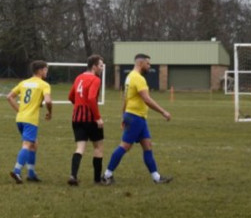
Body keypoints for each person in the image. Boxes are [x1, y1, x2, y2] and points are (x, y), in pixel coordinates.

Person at [102, 53, 172, 185]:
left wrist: (123, 115)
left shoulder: (129, 77)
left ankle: (156, 178)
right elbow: (147, 99)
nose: (149, 66)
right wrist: (163, 112)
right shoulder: (138, 78)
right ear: (141, 63)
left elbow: (126, 98)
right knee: (125, 146)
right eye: (148, 63)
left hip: (136, 117)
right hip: (135, 117)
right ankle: (107, 175)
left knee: (147, 145)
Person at [7, 60, 52, 184]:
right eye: (46, 69)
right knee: (27, 144)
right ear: (41, 70)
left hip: (20, 118)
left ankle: (31, 173)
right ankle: (17, 171)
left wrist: (19, 110)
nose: (47, 72)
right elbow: (48, 101)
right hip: (30, 120)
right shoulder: (44, 85)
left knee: (34, 144)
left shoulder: (24, 83)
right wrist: (50, 112)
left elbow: (9, 96)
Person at [67, 55, 105, 186]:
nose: (102, 68)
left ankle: (73, 175)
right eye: (101, 65)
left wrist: (78, 105)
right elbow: (91, 98)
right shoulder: (95, 79)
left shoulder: (78, 77)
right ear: (94, 66)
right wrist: (97, 118)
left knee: (80, 148)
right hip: (90, 119)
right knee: (98, 147)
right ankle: (97, 180)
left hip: (76, 118)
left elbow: (70, 96)